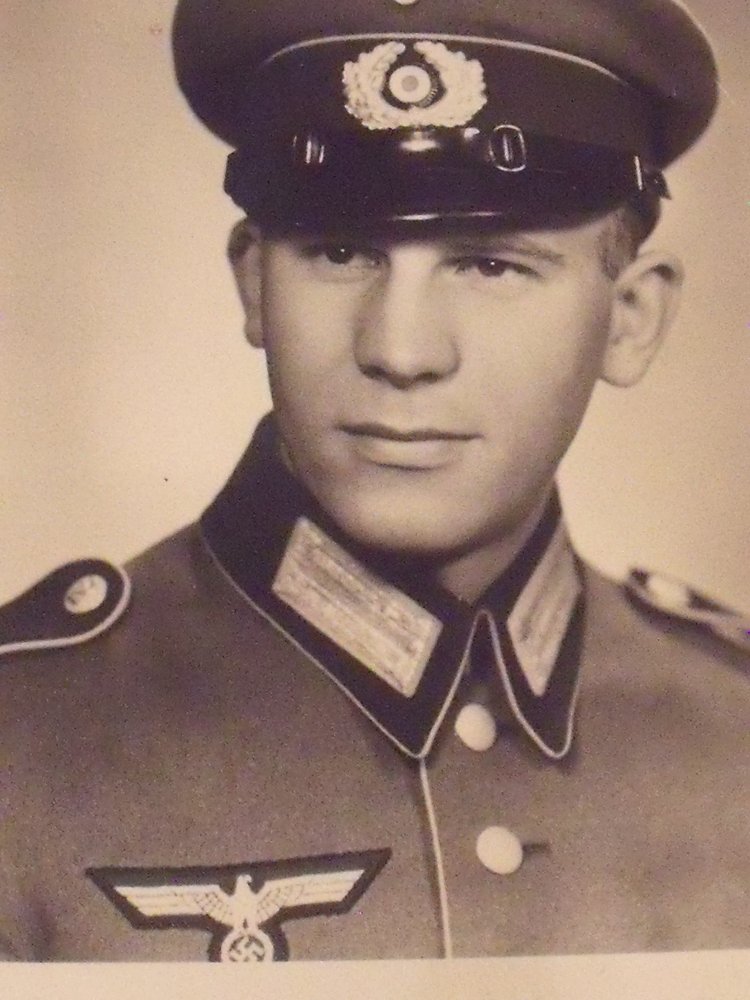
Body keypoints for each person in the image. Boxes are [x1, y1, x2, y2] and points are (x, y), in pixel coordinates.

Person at [0, 0, 748, 964]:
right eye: (341, 253)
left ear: (632, 319)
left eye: (489, 265)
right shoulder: (23, 739)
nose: (399, 350)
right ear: (254, 283)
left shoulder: (729, 722)